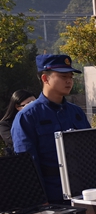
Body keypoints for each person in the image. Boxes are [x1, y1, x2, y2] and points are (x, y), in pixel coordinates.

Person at [12, 55, 90, 204]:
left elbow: (89, 150)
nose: (69, 81)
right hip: (52, 196)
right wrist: (39, 199)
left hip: (83, 191)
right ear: (45, 78)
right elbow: (26, 164)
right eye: (63, 76)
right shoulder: (28, 116)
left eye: (71, 77)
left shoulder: (76, 112)